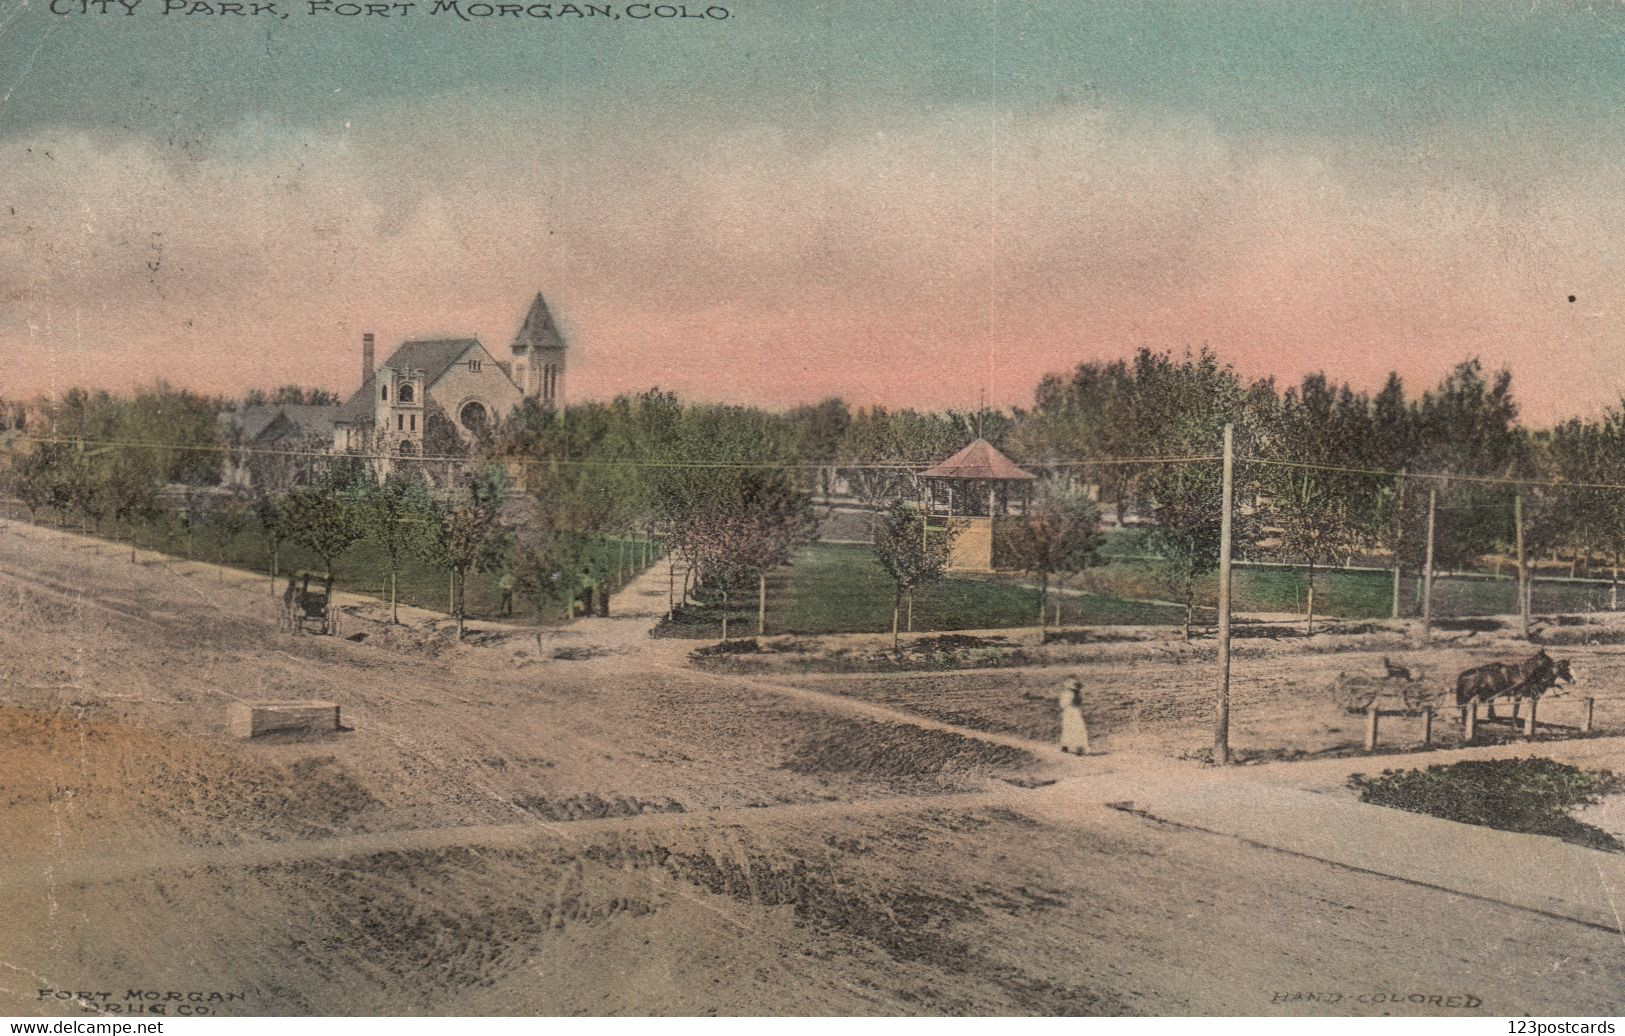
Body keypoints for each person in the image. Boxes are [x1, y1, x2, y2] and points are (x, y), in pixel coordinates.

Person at [1059, 677, 1089, 755]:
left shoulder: (1068, 693)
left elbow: (1063, 704)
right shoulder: (1079, 694)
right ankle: (1078, 748)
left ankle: (1065, 746)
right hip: (1076, 711)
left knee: (1068, 728)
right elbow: (1080, 703)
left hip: (1069, 711)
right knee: (1078, 728)